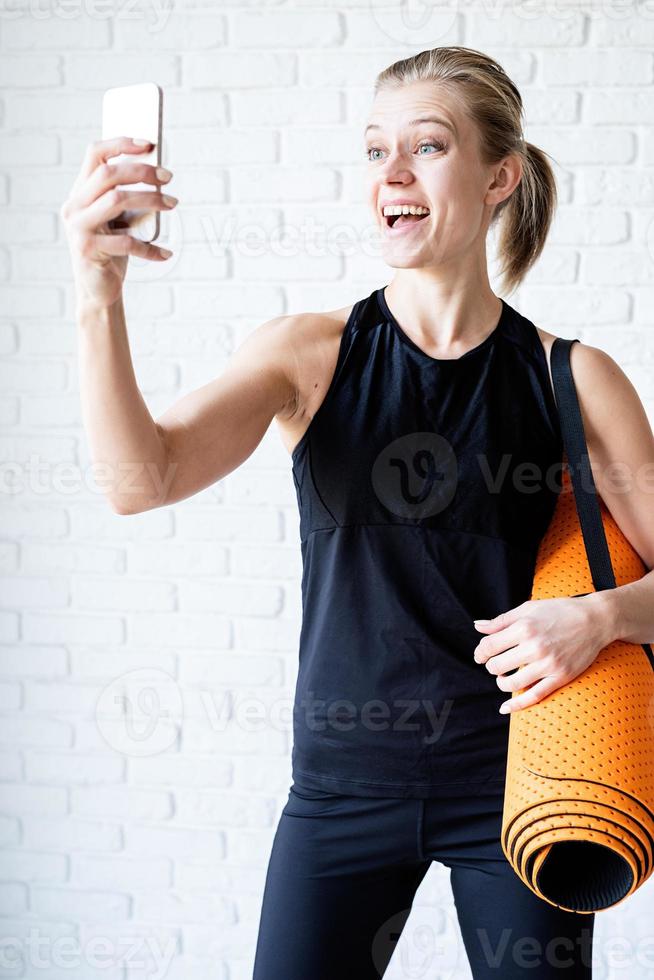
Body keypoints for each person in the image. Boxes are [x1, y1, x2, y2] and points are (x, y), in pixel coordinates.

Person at [61, 44, 654, 980]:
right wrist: (99, 293)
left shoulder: (571, 379)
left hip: (513, 790)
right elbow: (142, 480)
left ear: (501, 176)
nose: (393, 174)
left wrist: (602, 616)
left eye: (426, 146)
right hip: (340, 792)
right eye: (375, 151)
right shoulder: (311, 354)